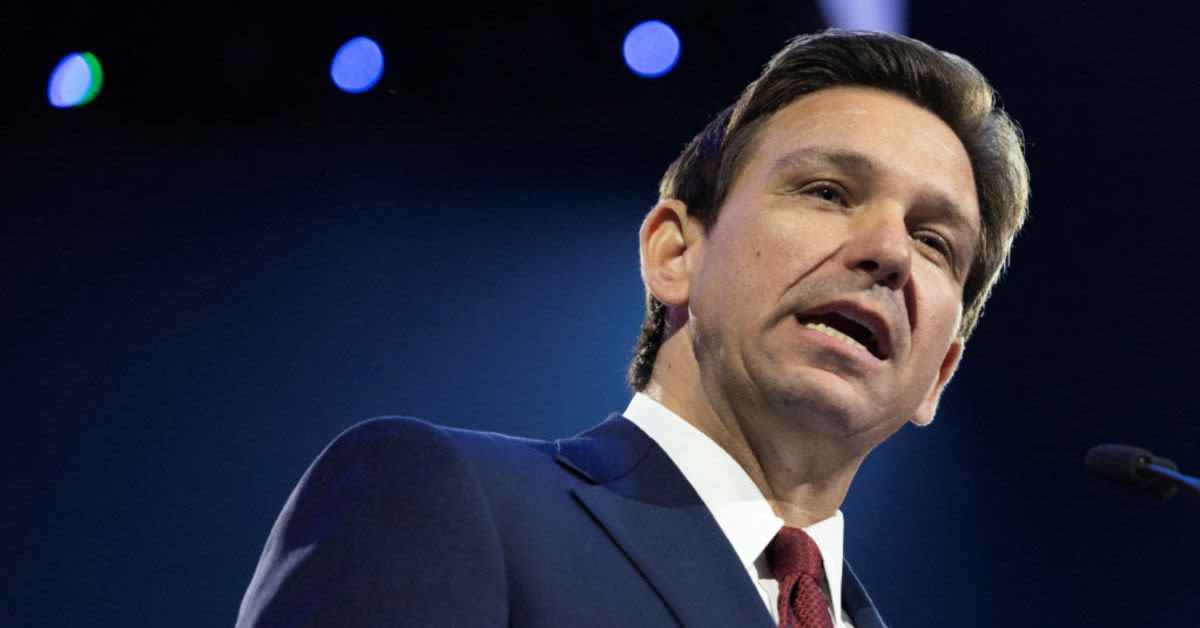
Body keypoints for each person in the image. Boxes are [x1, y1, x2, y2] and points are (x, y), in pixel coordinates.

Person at [236, 29, 1029, 628]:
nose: (889, 251)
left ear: (939, 373)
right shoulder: (442, 500)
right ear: (675, 252)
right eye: (827, 191)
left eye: (935, 242)